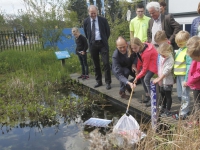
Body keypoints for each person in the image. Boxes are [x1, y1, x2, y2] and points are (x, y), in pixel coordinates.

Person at [83, 5, 111, 90]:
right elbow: (86, 33)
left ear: (97, 12)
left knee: (106, 63)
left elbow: (107, 32)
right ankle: (99, 81)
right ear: (89, 13)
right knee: (96, 64)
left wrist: (104, 40)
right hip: (93, 44)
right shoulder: (86, 21)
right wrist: (91, 40)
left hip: (102, 44)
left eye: (94, 13)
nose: (93, 15)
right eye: (91, 13)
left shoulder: (103, 20)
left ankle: (108, 82)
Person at [130, 37, 158, 107]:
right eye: (132, 48)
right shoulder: (140, 49)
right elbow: (139, 61)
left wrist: (137, 77)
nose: (134, 50)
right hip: (148, 64)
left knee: (146, 79)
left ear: (139, 45)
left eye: (135, 48)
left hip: (153, 65)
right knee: (142, 77)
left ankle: (152, 99)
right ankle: (147, 95)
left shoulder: (146, 53)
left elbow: (145, 68)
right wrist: (138, 70)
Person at [174, 31, 192, 119]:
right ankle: (185, 109)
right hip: (178, 75)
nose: (178, 45)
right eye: (177, 43)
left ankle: (184, 112)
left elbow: (189, 65)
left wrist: (186, 79)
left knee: (185, 94)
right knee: (180, 94)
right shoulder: (180, 50)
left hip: (184, 76)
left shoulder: (187, 51)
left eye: (180, 43)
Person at [153, 43, 174, 117]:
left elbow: (166, 72)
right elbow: (160, 68)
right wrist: (158, 78)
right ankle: (163, 107)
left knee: (168, 96)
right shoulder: (162, 57)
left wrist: (159, 78)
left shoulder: (170, 59)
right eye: (161, 55)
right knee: (162, 94)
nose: (162, 56)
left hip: (167, 81)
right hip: (161, 81)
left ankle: (168, 110)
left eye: (163, 54)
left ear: (167, 52)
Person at [186, 36, 200, 122]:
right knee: (196, 103)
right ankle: (196, 119)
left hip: (197, 86)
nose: (193, 59)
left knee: (197, 104)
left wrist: (189, 82)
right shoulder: (196, 59)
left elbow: (197, 74)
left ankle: (196, 120)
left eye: (194, 58)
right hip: (196, 85)